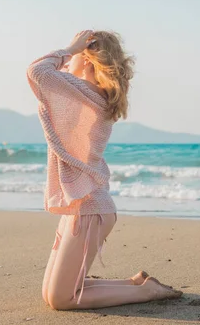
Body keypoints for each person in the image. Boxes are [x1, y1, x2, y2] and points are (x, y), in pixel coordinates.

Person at [27, 30, 183, 310]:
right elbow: (48, 76)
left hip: (90, 209)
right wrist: (74, 54)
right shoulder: (87, 94)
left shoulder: (86, 93)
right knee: (52, 295)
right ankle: (138, 284)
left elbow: (37, 71)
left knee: (63, 299)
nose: (66, 63)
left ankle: (146, 293)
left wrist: (70, 47)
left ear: (86, 60)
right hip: (82, 205)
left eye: (74, 58)